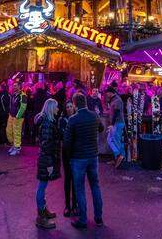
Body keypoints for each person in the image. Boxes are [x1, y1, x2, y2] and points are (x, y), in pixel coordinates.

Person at [63, 93, 104, 229]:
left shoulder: (73, 120)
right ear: (85, 102)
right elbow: (101, 128)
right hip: (93, 156)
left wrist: (68, 157)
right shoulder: (94, 115)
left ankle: (83, 219)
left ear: (74, 104)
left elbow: (67, 142)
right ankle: (98, 217)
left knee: (80, 188)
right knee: (95, 186)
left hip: (78, 158)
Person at [33, 99, 61, 229]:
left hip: (45, 158)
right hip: (46, 159)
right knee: (42, 186)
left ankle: (44, 210)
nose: (57, 109)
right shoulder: (47, 124)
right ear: (50, 108)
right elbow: (46, 145)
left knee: (43, 186)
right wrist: (49, 163)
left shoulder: (47, 122)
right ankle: (41, 216)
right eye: (56, 107)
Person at [60, 100, 78, 217]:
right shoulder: (62, 120)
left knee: (76, 179)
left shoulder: (77, 119)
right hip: (66, 152)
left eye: (71, 106)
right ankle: (67, 205)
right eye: (67, 107)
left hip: (76, 152)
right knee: (68, 178)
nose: (69, 108)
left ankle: (75, 205)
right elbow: (63, 135)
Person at [105, 87, 126, 168]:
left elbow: (117, 112)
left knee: (116, 141)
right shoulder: (114, 99)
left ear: (111, 92)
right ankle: (117, 156)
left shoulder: (117, 100)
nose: (106, 94)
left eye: (107, 93)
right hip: (115, 123)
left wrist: (112, 124)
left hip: (117, 123)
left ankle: (120, 156)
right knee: (110, 139)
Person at [6, 82, 27, 156]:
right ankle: (13, 145)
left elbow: (23, 107)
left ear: (19, 86)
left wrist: (18, 116)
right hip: (11, 115)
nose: (13, 87)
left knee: (17, 132)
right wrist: (10, 113)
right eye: (13, 85)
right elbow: (11, 105)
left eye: (15, 86)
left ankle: (17, 147)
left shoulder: (23, 95)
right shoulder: (13, 95)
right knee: (9, 131)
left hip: (18, 117)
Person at [0, 82, 10, 146]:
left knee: (0, 127)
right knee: (5, 127)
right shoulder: (9, 95)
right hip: (7, 114)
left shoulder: (0, 95)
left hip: (1, 114)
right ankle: (6, 141)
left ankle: (1, 141)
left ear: (1, 88)